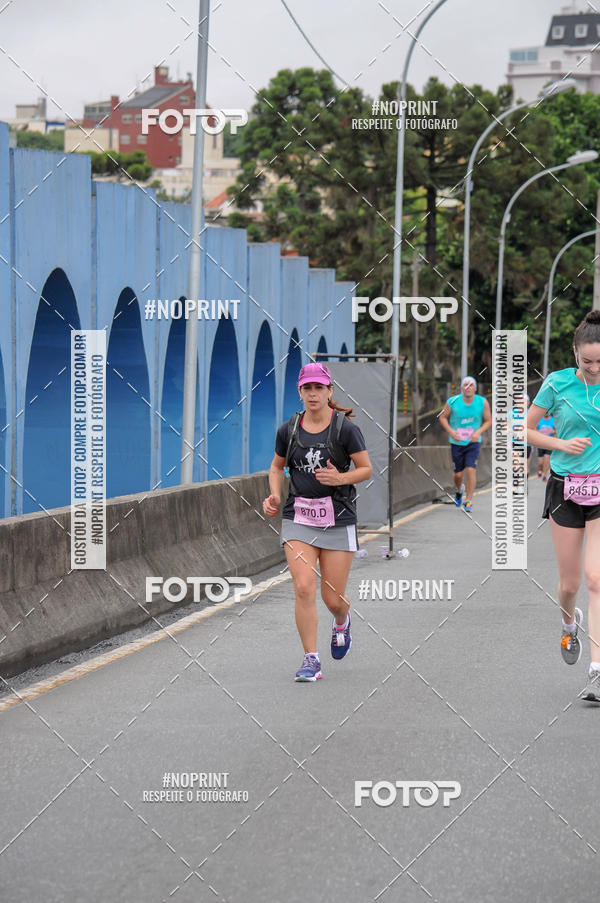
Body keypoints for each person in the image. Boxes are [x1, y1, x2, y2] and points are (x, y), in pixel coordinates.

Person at [262, 362, 373, 682]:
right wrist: (273, 496)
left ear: (329, 391)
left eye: (318, 388)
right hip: (298, 517)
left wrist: (340, 477)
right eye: (307, 388)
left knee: (332, 598)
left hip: (338, 519)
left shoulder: (345, 429)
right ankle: (311, 659)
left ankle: (342, 620)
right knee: (303, 586)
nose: (313, 394)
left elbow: (365, 469)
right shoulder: (289, 430)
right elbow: (276, 467)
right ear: (299, 392)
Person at [526, 310, 600, 702]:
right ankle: (568, 622)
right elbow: (526, 426)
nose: (593, 369)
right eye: (587, 362)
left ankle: (597, 668)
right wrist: (559, 444)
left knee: (596, 578)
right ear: (574, 353)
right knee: (570, 584)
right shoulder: (557, 384)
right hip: (565, 487)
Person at [439, 376, 492, 513]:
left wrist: (478, 432)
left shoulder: (482, 402)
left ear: (475, 388)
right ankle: (459, 490)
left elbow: (488, 421)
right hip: (457, 442)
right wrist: (451, 432)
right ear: (461, 387)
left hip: (473, 442)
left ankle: (468, 501)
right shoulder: (452, 401)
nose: (468, 387)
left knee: (471, 469)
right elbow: (442, 417)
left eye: (471, 385)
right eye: (465, 385)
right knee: (458, 475)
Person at [536, 413, 555, 480]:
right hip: (540, 444)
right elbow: (532, 430)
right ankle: (540, 470)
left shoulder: (553, 420)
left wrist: (553, 431)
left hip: (549, 444)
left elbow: (558, 431)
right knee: (540, 462)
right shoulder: (539, 420)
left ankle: (545, 475)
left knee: (547, 460)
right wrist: (538, 431)